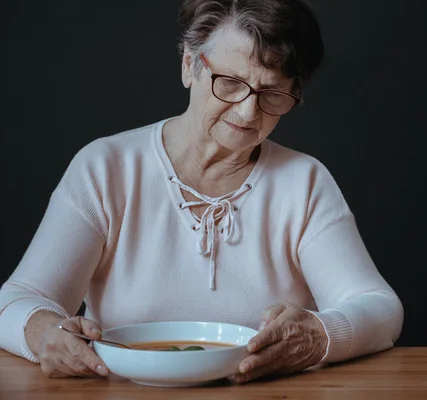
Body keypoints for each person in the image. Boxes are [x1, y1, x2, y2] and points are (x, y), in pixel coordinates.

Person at [0, 0, 403, 383]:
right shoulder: (107, 168)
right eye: (229, 83)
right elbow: (16, 299)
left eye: (273, 94)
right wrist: (43, 332)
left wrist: (318, 335)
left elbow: (381, 310)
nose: (248, 112)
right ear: (189, 66)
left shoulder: (303, 182)